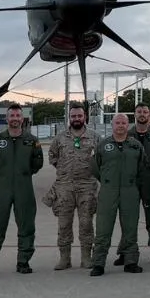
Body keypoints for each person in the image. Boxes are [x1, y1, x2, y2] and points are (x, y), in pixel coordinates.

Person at [0, 103, 43, 275]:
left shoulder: (31, 141)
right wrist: (3, 176)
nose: (15, 119)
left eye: (18, 116)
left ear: (22, 119)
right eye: (12, 116)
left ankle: (23, 261)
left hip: (24, 187)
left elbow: (37, 164)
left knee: (26, 225)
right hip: (1, 187)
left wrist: (23, 174)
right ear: (7, 118)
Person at [46, 103, 99, 270]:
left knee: (86, 223)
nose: (76, 119)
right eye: (74, 116)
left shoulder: (95, 137)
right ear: (70, 118)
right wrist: (65, 172)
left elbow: (101, 159)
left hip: (87, 187)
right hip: (64, 188)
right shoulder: (60, 138)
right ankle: (64, 258)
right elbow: (53, 156)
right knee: (64, 224)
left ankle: (86, 257)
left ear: (85, 117)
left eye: (79, 116)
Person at [91, 113, 145, 275]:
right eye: (117, 123)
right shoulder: (103, 145)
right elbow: (95, 167)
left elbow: (142, 167)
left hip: (130, 190)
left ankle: (130, 261)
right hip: (109, 190)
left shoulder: (135, 146)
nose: (120, 125)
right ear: (112, 125)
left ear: (128, 125)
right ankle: (98, 263)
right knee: (103, 228)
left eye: (124, 123)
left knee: (130, 227)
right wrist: (108, 181)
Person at [125, 104, 150, 266]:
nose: (142, 115)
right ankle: (125, 251)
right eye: (139, 112)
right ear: (134, 114)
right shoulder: (126, 135)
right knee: (128, 216)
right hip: (130, 179)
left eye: (145, 112)